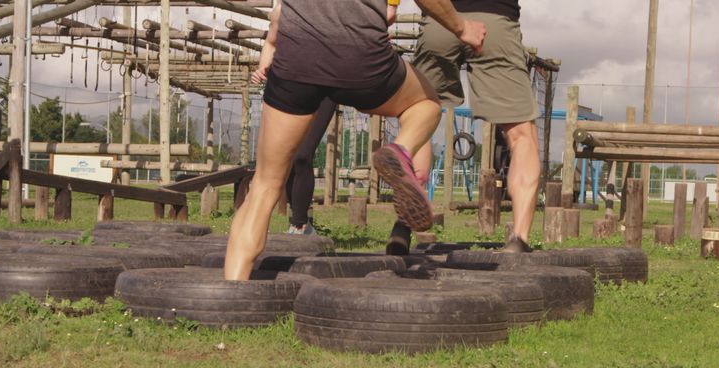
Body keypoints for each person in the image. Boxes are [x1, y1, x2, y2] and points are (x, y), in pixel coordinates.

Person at [223, 0, 486, 281]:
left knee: (264, 186)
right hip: (361, 54)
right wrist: (462, 27)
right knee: (426, 103)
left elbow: (278, 14)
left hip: (297, 55)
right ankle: (400, 150)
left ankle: (234, 291)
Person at [391, 0, 540, 254]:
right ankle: (519, 240)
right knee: (521, 134)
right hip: (495, 21)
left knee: (417, 114)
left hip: (440, 21)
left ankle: (403, 227)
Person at [255, 3, 404, 236]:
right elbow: (271, 43)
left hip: (329, 82)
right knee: (285, 157)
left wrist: (370, 31)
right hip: (296, 81)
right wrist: (263, 67)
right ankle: (292, 219)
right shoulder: (288, 12)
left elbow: (388, 15)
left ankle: (300, 224)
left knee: (303, 155)